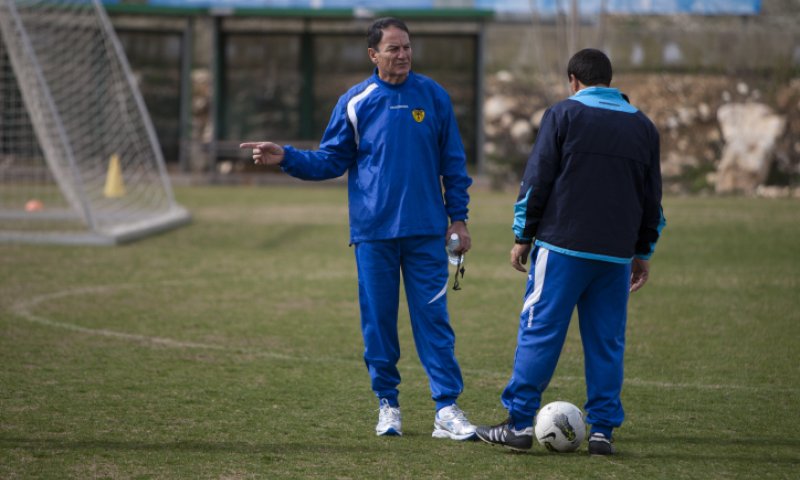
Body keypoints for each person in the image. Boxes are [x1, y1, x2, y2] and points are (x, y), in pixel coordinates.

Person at [240, 17, 476, 441]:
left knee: (434, 322)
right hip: (373, 234)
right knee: (378, 324)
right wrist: (286, 156)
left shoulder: (434, 97)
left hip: (426, 232)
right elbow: (330, 160)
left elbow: (454, 165)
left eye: (407, 47)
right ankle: (388, 405)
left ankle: (446, 410)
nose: (402, 54)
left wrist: (458, 218)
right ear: (373, 55)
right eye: (393, 49)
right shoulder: (356, 101)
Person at [474, 48, 666, 455]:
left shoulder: (563, 114)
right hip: (615, 256)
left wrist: (522, 235)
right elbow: (653, 199)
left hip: (562, 248)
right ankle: (602, 432)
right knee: (606, 342)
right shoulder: (644, 128)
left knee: (540, 331)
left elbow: (537, 178)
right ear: (609, 81)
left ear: (573, 80)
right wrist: (643, 250)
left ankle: (519, 424)